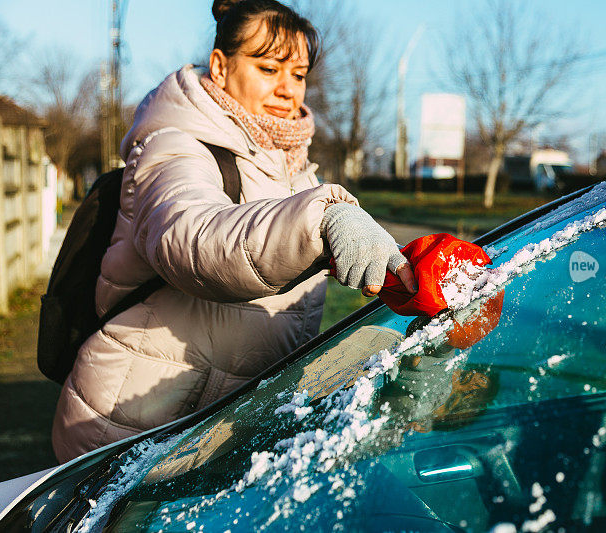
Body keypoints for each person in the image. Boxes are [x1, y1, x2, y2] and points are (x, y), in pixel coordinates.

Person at [51, 0, 416, 463]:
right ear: (221, 67)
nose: (289, 90)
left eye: (299, 74)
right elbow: (192, 240)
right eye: (269, 68)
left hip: (223, 433)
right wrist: (320, 221)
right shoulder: (175, 144)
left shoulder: (296, 170)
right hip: (135, 435)